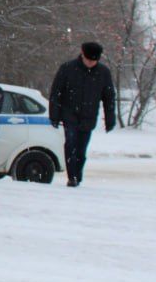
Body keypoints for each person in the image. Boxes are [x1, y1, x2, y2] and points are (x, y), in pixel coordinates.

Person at [48, 41, 116, 187]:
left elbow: (109, 97)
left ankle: (77, 174)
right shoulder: (67, 69)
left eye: (94, 60)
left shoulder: (103, 73)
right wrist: (54, 115)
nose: (91, 63)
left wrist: (110, 118)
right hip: (69, 114)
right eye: (89, 60)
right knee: (70, 144)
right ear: (82, 55)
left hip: (89, 116)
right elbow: (56, 93)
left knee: (81, 149)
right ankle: (72, 177)